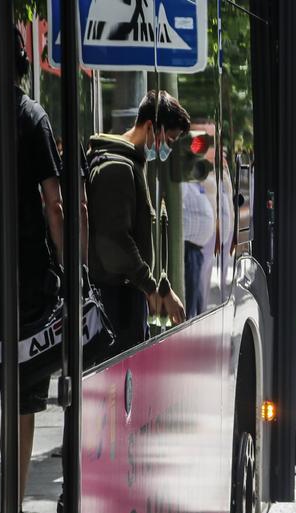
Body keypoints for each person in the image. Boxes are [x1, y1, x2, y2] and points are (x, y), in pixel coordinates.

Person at [0, 24, 73, 513]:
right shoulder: (28, 114)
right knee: (22, 399)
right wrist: (69, 267)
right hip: (25, 281)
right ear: (20, 58)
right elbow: (54, 204)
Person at [86, 90, 188, 352]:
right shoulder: (117, 168)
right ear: (151, 127)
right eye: (170, 139)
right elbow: (114, 241)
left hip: (124, 301)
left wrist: (158, 285)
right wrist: (152, 288)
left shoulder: (132, 164)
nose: (169, 147)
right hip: (115, 305)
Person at [181, 158, 216, 317]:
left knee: (195, 301)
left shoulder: (196, 183)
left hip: (196, 250)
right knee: (189, 304)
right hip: (187, 250)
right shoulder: (182, 182)